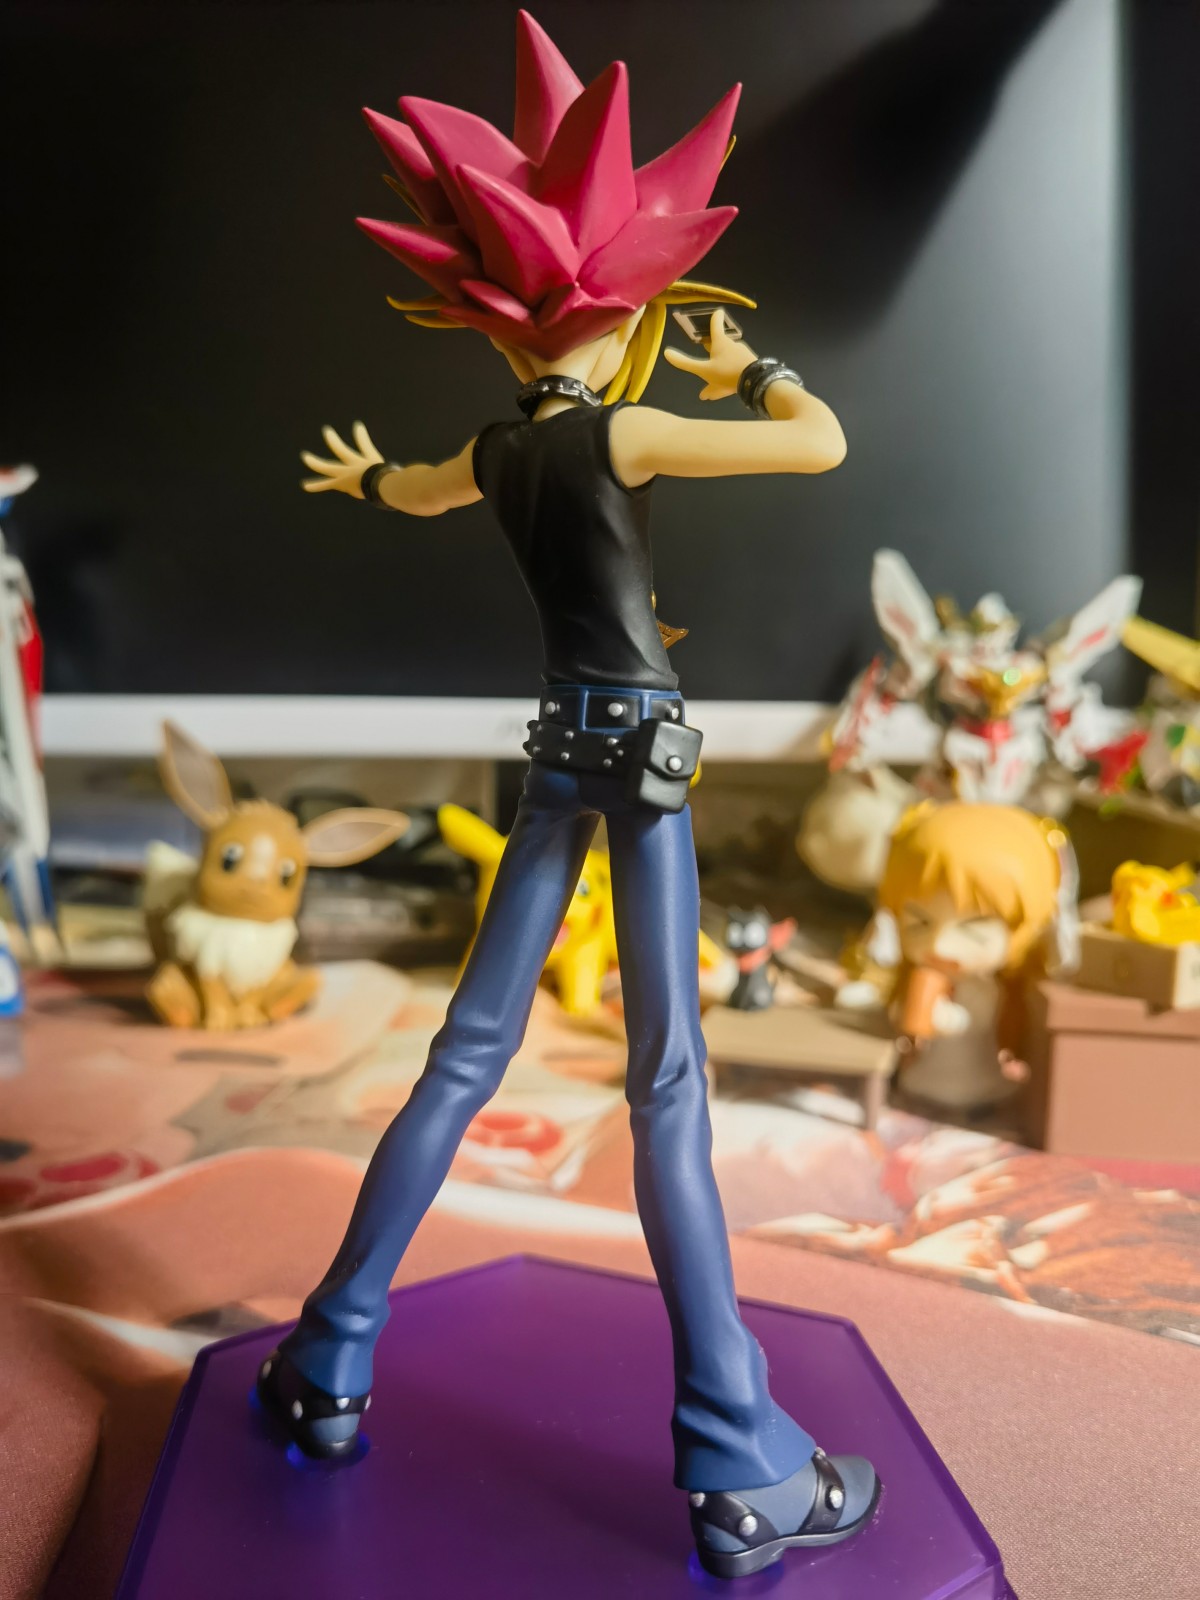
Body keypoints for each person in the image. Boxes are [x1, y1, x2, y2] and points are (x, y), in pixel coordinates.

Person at [257, 12, 879, 1579]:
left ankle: (327, 1359)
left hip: (556, 744)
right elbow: (819, 444)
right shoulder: (637, 430)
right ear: (639, 310)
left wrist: (361, 481)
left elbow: (411, 491)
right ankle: (739, 1461)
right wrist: (759, 369)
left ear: (494, 325)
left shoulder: (497, 451)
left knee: (465, 1056)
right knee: (666, 1087)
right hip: (643, 751)